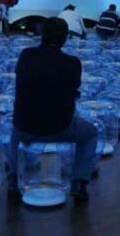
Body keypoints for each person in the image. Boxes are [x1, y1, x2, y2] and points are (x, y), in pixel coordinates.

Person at [8, 17, 97, 202]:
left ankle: (13, 179)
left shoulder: (26, 55)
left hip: (24, 126)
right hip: (59, 127)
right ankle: (79, 183)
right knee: (90, 133)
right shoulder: (72, 63)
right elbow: (74, 88)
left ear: (42, 34)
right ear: (65, 38)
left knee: (15, 133)